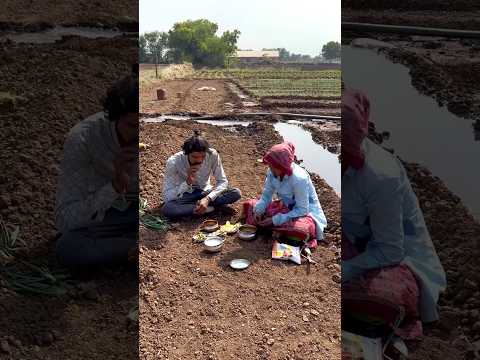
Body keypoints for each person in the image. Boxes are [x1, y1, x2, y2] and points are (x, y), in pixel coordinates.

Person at [341, 87, 446, 340]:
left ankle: (404, 319)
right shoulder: (345, 163)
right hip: (362, 242)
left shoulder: (379, 176)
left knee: (378, 300)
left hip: (401, 257)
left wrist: (347, 268)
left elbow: (391, 250)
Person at [55, 75, 139, 269]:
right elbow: (64, 219)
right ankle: (133, 249)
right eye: (133, 126)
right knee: (68, 247)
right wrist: (115, 186)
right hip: (107, 216)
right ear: (115, 117)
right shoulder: (83, 140)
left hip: (141, 214)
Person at [242, 142, 327, 249]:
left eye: (273, 166)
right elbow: (267, 194)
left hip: (305, 213)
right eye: (270, 165)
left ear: (282, 166)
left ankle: (278, 230)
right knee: (250, 205)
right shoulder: (272, 172)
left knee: (300, 229)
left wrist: (275, 220)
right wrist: (259, 210)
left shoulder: (299, 179)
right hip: (286, 207)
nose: (270, 168)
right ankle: (278, 230)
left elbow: (302, 210)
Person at [161, 131, 241, 218]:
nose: (199, 160)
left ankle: (198, 207)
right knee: (168, 209)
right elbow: (167, 196)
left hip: (205, 192)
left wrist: (207, 198)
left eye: (202, 156)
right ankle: (212, 209)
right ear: (186, 153)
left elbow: (222, 181)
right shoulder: (174, 162)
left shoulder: (212, 154)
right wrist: (187, 183)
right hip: (185, 195)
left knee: (235, 193)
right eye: (195, 157)